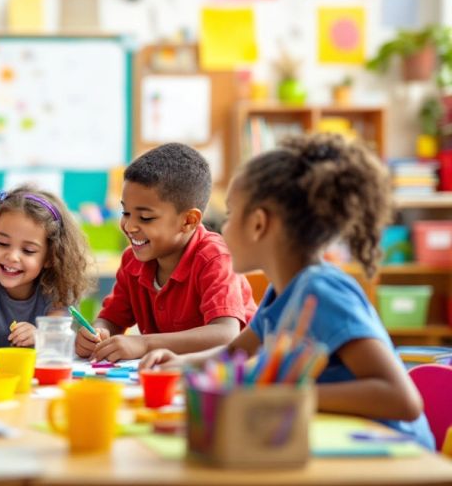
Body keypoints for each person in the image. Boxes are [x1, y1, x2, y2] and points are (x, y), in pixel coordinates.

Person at [141, 134, 434, 449]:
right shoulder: (282, 294)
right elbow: (233, 354)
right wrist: (180, 362)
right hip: (342, 445)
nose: (222, 230)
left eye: (228, 215)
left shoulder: (321, 290)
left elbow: (403, 400)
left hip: (394, 459)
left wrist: (279, 396)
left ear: (258, 224)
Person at [76, 143, 256, 362]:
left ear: (188, 221)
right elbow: (111, 319)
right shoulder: (133, 260)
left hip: (223, 377)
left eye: (145, 218)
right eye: (125, 212)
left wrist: (145, 343)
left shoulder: (214, 258)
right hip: (169, 375)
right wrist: (97, 333)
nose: (129, 226)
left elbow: (225, 334)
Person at [0, 186, 93, 349]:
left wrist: (40, 335)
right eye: (2, 243)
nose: (12, 257)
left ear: (50, 257)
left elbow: (58, 336)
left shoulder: (58, 291)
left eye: (28, 250)